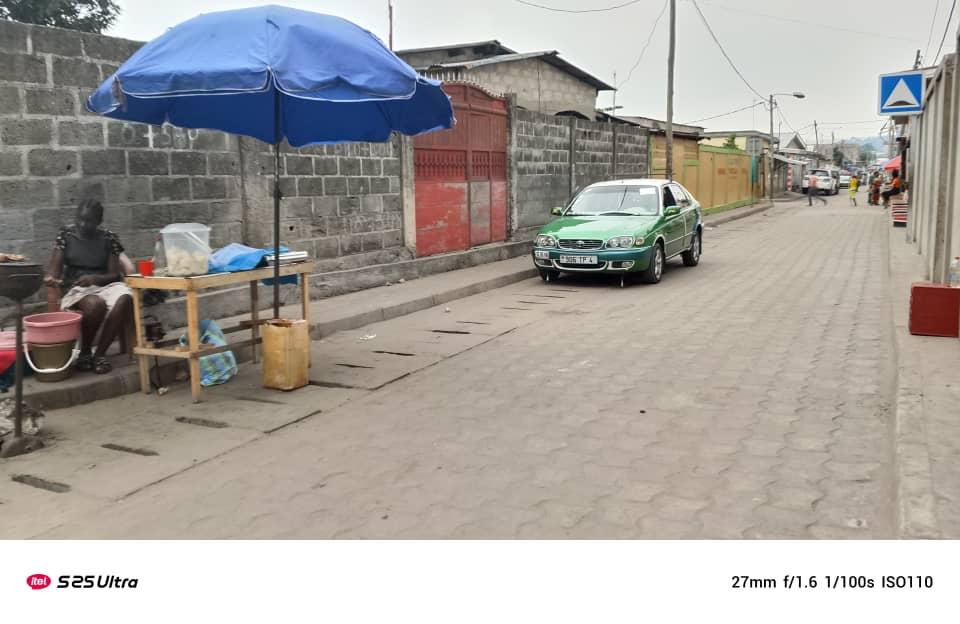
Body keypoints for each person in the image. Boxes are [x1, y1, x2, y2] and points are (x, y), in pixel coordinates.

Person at [45, 199, 133, 374]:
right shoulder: (66, 235)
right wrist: (52, 280)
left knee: (125, 298)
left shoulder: (109, 238)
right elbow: (54, 272)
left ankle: (99, 355)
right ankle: (85, 351)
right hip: (76, 288)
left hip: (105, 284)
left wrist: (94, 278)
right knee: (96, 304)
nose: (83, 224)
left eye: (89, 221)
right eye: (80, 219)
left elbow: (114, 274)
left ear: (98, 222)